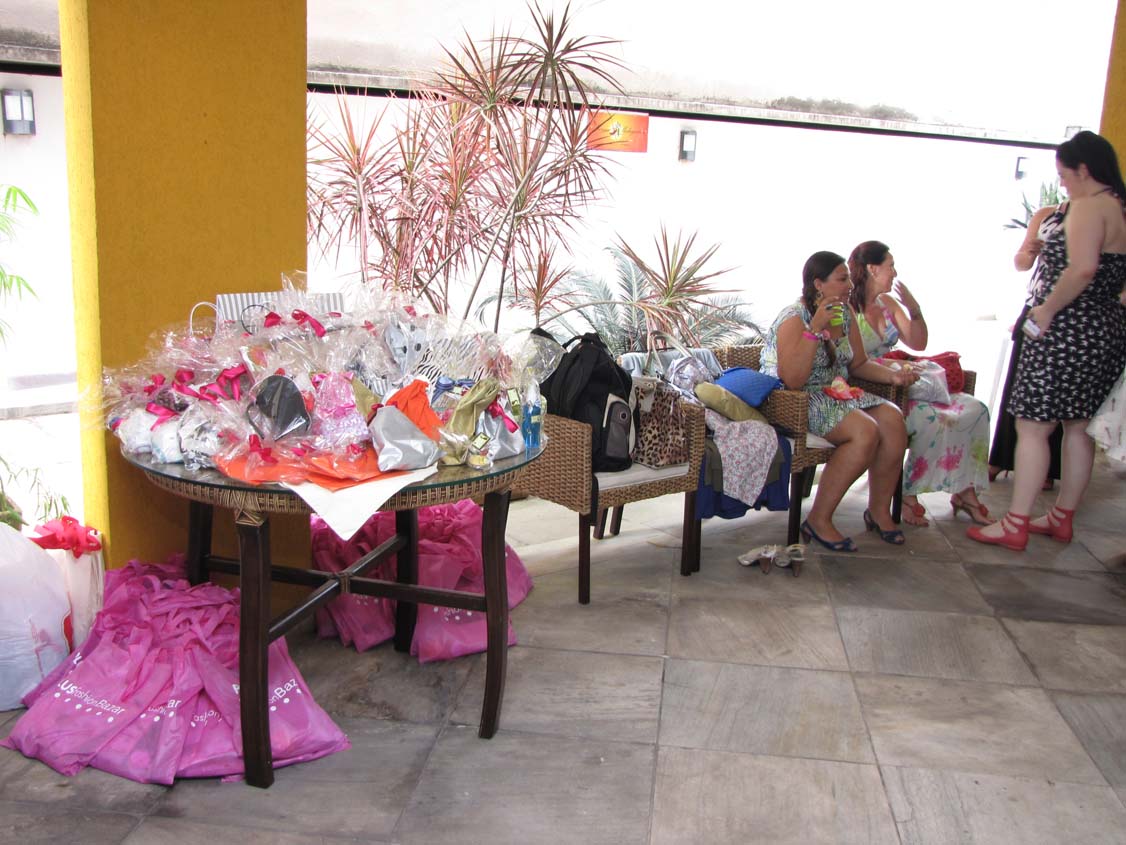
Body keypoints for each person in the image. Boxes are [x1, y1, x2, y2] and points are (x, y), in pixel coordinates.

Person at [969, 131, 1126, 550]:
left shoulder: (1090, 206)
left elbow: (1082, 269)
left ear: (1083, 169)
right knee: (1078, 427)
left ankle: (1015, 522)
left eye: (1063, 174)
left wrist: (1048, 309)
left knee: (1033, 426)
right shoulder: (1120, 207)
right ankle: (1061, 517)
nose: (1062, 183)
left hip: (1067, 330)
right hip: (1106, 328)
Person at [761, 250, 917, 551]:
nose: (850, 285)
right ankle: (818, 519)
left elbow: (858, 363)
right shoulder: (794, 317)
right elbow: (792, 380)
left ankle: (878, 510)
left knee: (893, 418)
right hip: (796, 398)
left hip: (836, 391)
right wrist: (814, 330)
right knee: (865, 431)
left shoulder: (844, 313)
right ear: (818, 284)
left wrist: (894, 377)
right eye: (842, 279)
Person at [848, 241, 995, 527]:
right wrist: (890, 369)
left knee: (974, 409)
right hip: (872, 384)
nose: (894, 272)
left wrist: (914, 309)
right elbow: (851, 360)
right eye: (890, 266)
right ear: (872, 268)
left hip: (903, 381)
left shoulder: (888, 304)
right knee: (927, 418)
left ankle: (965, 490)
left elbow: (918, 342)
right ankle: (908, 493)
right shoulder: (849, 308)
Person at [988, 201, 1068, 486]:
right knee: (1018, 386)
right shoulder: (1047, 214)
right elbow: (1021, 262)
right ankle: (1000, 458)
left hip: (1071, 316)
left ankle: (1047, 468)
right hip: (1036, 307)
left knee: (1056, 392)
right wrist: (1029, 253)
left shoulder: (1100, 215)